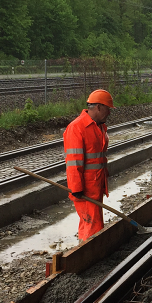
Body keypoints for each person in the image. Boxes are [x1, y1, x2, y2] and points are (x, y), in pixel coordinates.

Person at [63, 89, 114, 241]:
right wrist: (76, 188)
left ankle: (83, 251)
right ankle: (91, 256)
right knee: (94, 227)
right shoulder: (77, 128)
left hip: (96, 185)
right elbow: (73, 162)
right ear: (98, 107)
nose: (109, 113)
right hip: (85, 188)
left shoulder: (99, 127)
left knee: (89, 223)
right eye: (107, 109)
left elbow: (97, 158)